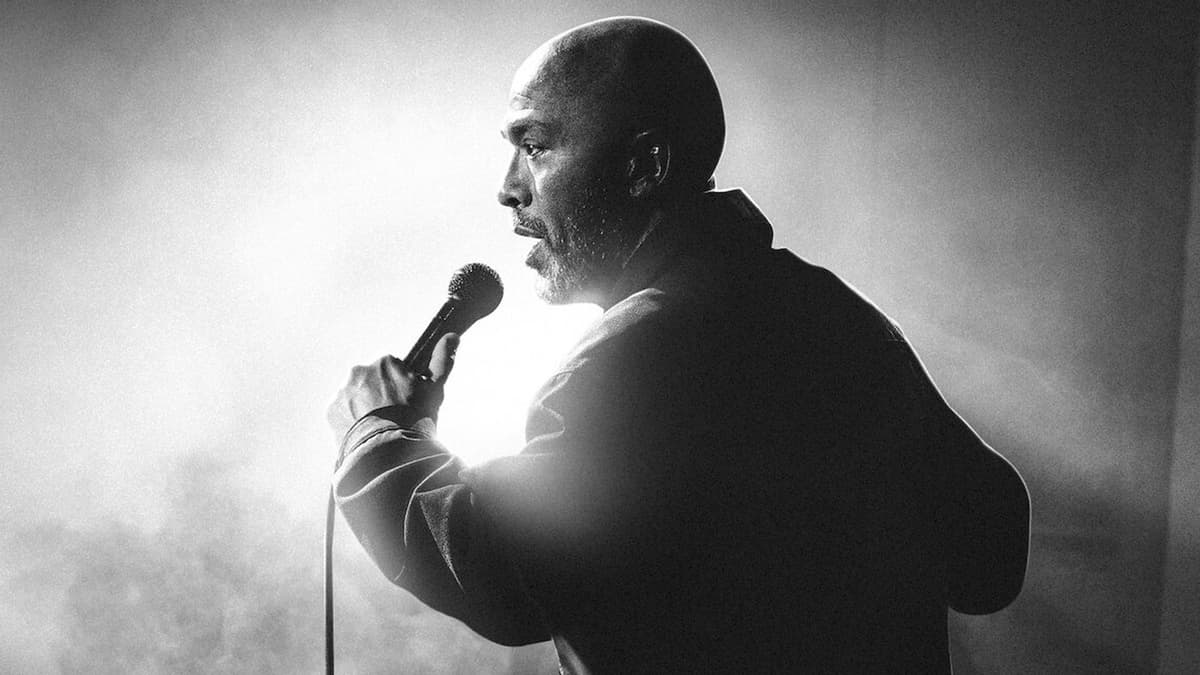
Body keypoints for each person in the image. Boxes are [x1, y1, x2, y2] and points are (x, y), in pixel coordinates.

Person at [327, 16, 1030, 673]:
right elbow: (990, 554)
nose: (510, 190)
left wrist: (378, 439)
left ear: (645, 165)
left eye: (535, 146)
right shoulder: (833, 315)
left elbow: (502, 572)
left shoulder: (640, 353)